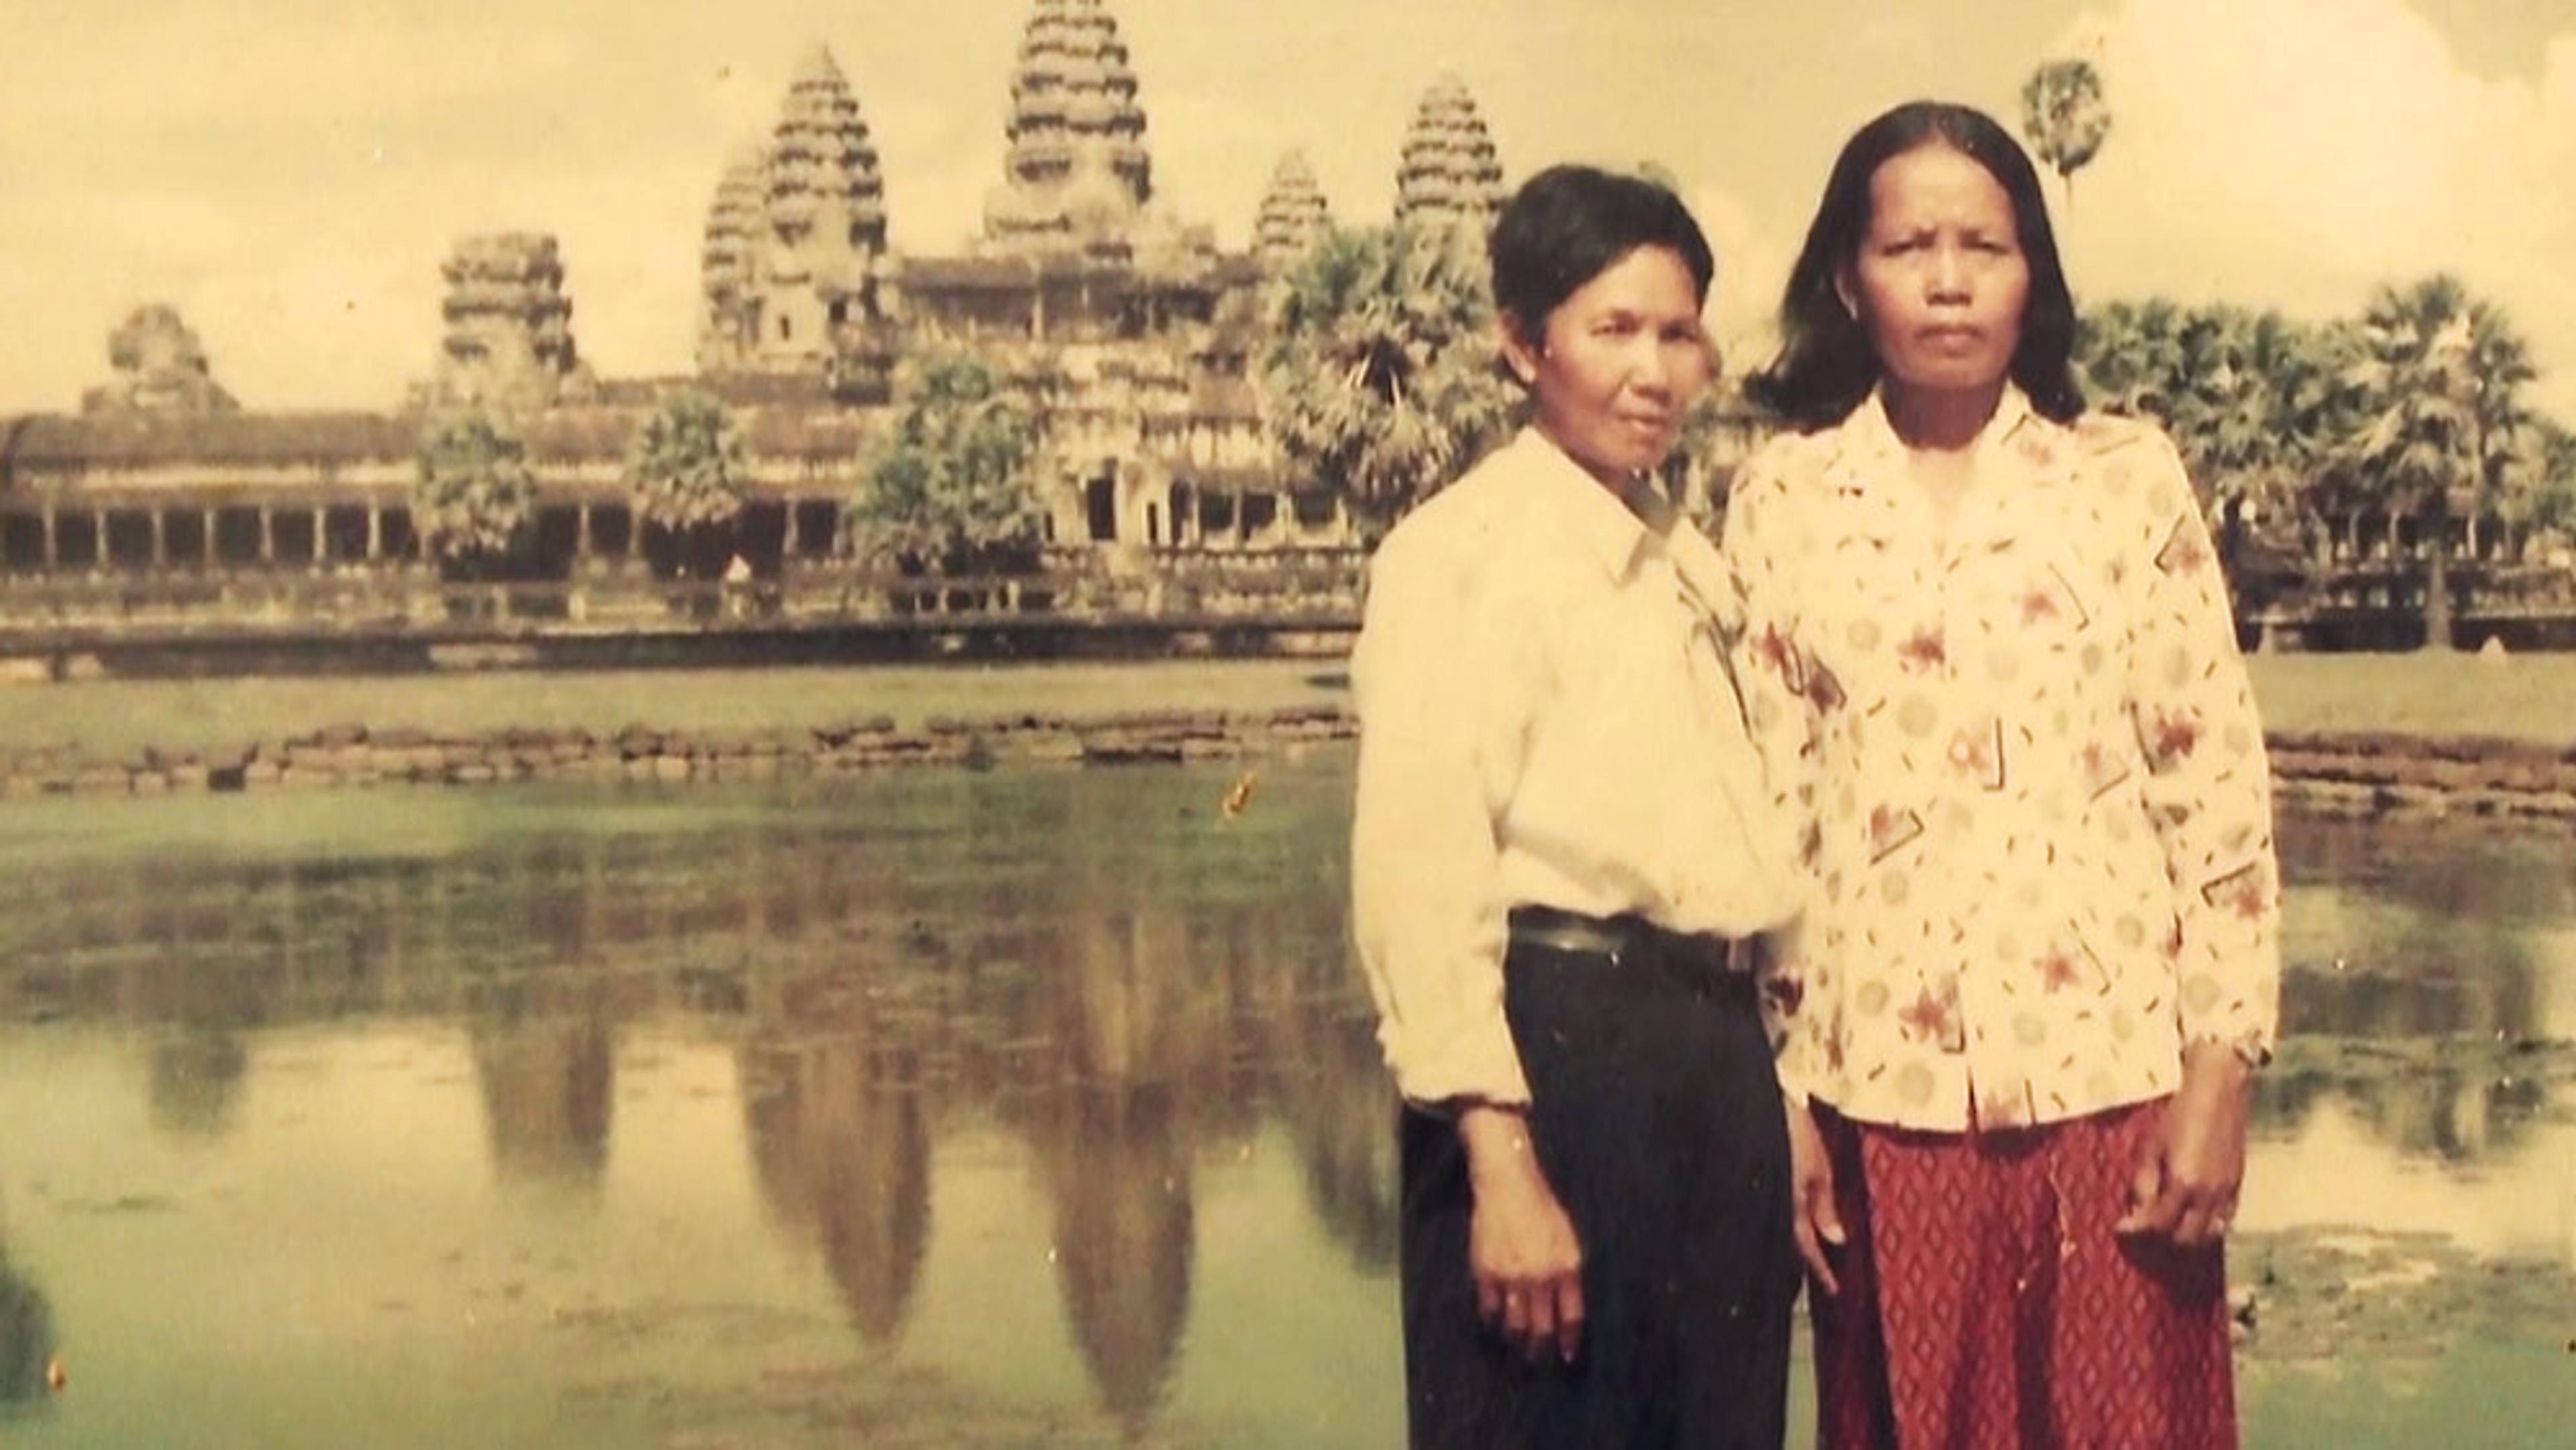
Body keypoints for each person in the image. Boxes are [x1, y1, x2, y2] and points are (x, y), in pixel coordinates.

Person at [1721, 101, 2282, 1449]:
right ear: (1849, 280)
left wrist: (2223, 1072)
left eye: (1988, 243)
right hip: (1880, 1094)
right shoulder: (1785, 500)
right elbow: (1764, 818)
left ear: (2035, 273)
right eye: (1911, 245)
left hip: (2114, 1077)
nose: (1952, 276)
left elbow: (2211, 780)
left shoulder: (2124, 482)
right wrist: (1777, 1098)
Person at [1349, 163, 1804, 1450]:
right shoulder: (1464, 556)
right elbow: (1421, 877)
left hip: (1710, 1065)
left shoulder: (1684, 560)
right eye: (1613, 330)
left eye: (1679, 333)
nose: (1654, 372)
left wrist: (1775, 1104)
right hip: (1552, 1064)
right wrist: (1499, 1162)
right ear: (1521, 343)